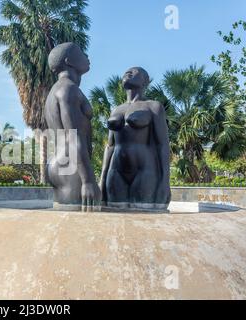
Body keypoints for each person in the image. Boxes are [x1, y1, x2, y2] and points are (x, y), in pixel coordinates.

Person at [100, 67, 171, 210]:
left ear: (145, 81)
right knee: (113, 215)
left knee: (144, 216)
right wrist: (102, 178)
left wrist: (165, 181)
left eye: (134, 71)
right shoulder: (116, 110)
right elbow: (110, 147)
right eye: (126, 71)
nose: (128, 72)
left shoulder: (153, 107)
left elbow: (162, 144)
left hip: (145, 171)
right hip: (116, 171)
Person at [44, 42, 101, 211]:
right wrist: (88, 180)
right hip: (71, 167)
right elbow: (73, 136)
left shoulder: (55, 90)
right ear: (69, 61)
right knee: (79, 224)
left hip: (59, 163)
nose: (87, 56)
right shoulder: (69, 90)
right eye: (82, 53)